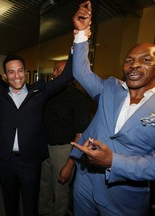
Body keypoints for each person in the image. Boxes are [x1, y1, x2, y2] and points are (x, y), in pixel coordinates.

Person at [0, 14, 75, 213]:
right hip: (5, 160)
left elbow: (66, 76)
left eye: (20, 70)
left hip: (30, 161)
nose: (17, 76)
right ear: (5, 75)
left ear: (25, 71)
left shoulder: (39, 91)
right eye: (11, 72)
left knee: (31, 203)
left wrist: (78, 39)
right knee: (10, 201)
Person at [70, 1, 155, 215]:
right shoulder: (110, 88)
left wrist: (113, 162)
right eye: (129, 60)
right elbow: (81, 73)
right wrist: (81, 34)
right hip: (85, 182)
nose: (134, 65)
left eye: (145, 60)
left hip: (122, 195)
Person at [39, 60, 92, 216]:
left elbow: (81, 134)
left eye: (59, 70)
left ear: (71, 75)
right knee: (44, 187)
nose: (55, 74)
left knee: (61, 191)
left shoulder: (79, 99)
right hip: (45, 147)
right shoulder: (50, 93)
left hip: (63, 150)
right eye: (55, 70)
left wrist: (70, 163)